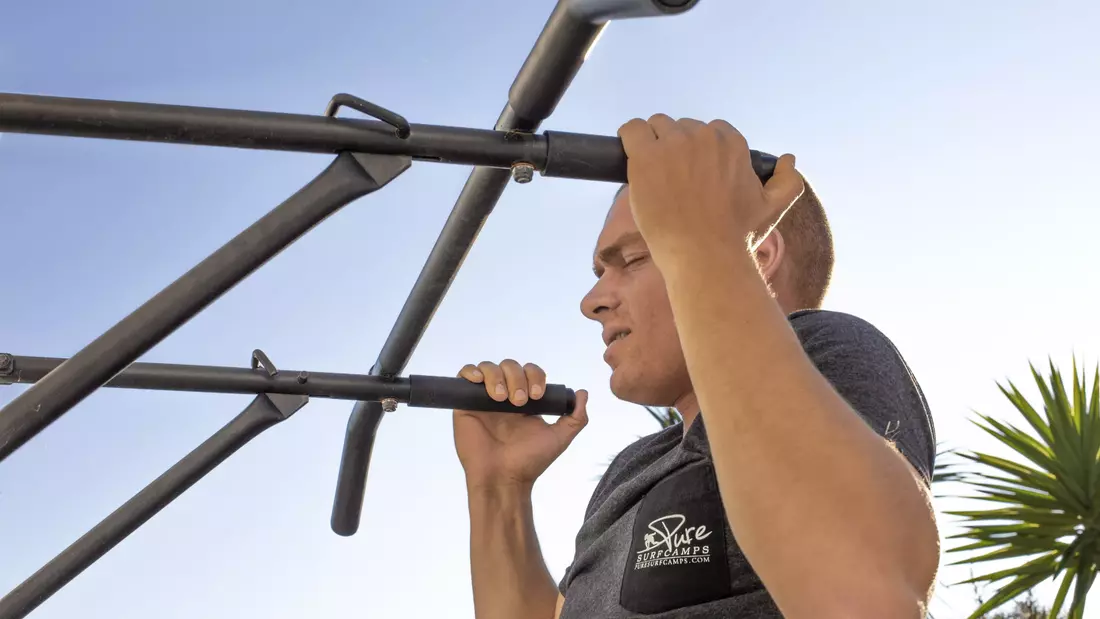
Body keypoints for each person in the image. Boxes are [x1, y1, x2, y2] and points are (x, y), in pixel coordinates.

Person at [452, 115, 939, 618]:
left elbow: (865, 597)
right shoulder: (631, 468)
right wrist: (498, 490)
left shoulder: (827, 347)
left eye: (634, 259)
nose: (592, 301)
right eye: (600, 272)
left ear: (758, 251)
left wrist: (705, 243)